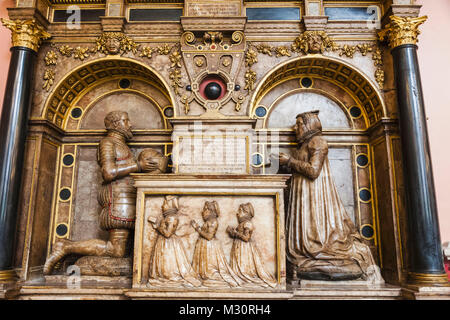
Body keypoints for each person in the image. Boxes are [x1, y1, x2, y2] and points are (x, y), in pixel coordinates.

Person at [43, 111, 159, 275]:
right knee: (116, 251)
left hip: (127, 197)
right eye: (126, 121)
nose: (130, 124)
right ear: (116, 124)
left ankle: (67, 247)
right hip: (118, 198)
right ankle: (66, 246)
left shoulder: (121, 145)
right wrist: (138, 166)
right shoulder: (108, 143)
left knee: (123, 252)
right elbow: (109, 172)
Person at [278, 110, 383, 283]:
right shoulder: (304, 145)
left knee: (317, 237)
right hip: (303, 194)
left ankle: (322, 258)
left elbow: (313, 171)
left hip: (315, 195)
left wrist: (289, 161)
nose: (295, 128)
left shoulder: (318, 141)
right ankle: (306, 257)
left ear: (308, 124)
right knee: (303, 239)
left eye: (298, 124)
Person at [147, 196, 202, 288]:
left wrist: (157, 225)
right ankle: (165, 276)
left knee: (168, 264)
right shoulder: (169, 217)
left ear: (170, 205)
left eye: (165, 203)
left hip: (168, 243)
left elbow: (168, 234)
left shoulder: (171, 218)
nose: (162, 206)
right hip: (165, 242)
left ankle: (169, 276)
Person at [191, 201, 242, 288]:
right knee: (204, 267)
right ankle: (203, 275)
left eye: (204, 210)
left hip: (209, 246)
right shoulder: (209, 221)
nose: (202, 212)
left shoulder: (213, 222)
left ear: (210, 211)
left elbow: (209, 236)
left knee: (210, 269)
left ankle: (210, 275)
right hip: (204, 245)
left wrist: (197, 228)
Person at [227, 203, 277, 288]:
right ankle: (239, 276)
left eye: (240, 211)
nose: (237, 213)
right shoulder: (242, 223)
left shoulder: (247, 224)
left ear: (246, 213)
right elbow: (238, 234)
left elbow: (246, 238)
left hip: (245, 248)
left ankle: (244, 276)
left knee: (243, 265)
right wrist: (231, 232)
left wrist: (235, 233)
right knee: (237, 264)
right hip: (239, 246)